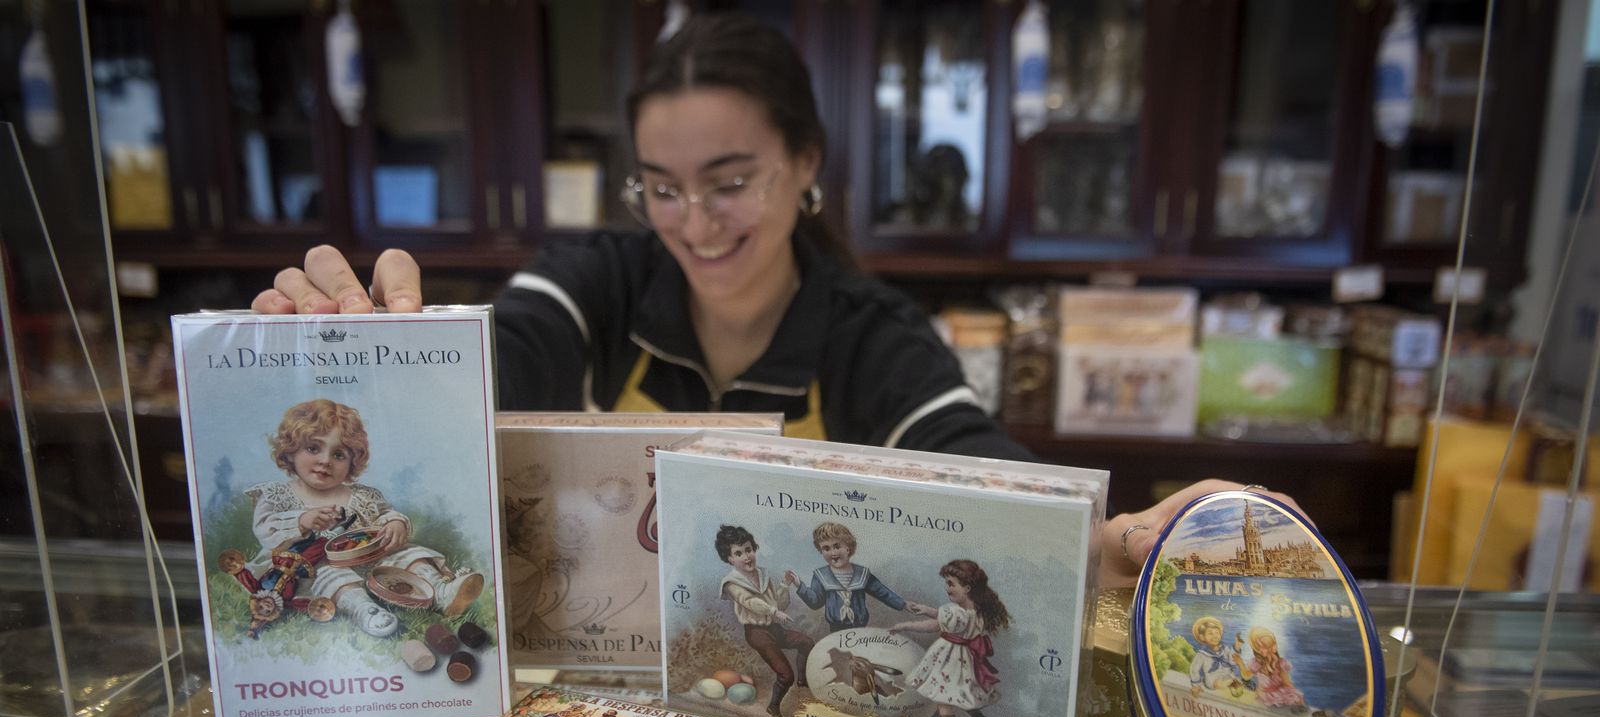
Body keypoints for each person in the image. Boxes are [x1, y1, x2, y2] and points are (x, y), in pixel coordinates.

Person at [250, 14, 1296, 589]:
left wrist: (1117, 537)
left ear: (805, 164)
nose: (694, 221)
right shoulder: (591, 282)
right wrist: (367, 359)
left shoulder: (868, 336)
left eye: (731, 181)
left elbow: (979, 468)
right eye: (662, 188)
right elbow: (494, 358)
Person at [244, 399, 484, 637]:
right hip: (310, 568)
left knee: (408, 554)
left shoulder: (362, 496)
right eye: (313, 449)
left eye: (338, 455)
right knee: (331, 577)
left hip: (368, 558)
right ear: (291, 450)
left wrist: (395, 522)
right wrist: (302, 521)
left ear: (352, 462)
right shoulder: (279, 495)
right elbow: (265, 530)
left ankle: (441, 592)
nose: (325, 461)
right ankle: (366, 611)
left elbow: (383, 514)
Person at [893, 559, 1011, 717]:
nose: (946, 588)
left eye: (951, 584)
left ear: (967, 588)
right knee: (951, 696)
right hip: (959, 658)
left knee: (947, 696)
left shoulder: (960, 613)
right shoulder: (975, 612)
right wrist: (906, 626)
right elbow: (938, 624)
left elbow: (942, 620)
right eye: (946, 583)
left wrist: (926, 610)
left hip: (952, 658)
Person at [715, 524, 813, 717]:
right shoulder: (732, 583)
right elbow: (750, 602)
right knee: (786, 675)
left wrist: (785, 585)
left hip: (773, 628)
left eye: (749, 550)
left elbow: (779, 604)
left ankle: (803, 682)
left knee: (807, 642)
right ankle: (773, 707)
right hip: (757, 633)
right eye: (739, 553)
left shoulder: (763, 575)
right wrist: (773, 611)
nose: (746, 557)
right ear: (730, 559)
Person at [786, 521, 924, 633]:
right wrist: (799, 585)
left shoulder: (862, 574)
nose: (833, 552)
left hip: (860, 629)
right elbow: (815, 602)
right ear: (821, 551)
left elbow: (883, 593)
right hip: (835, 631)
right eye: (826, 548)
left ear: (848, 548)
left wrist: (903, 604)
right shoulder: (821, 575)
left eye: (837, 546)